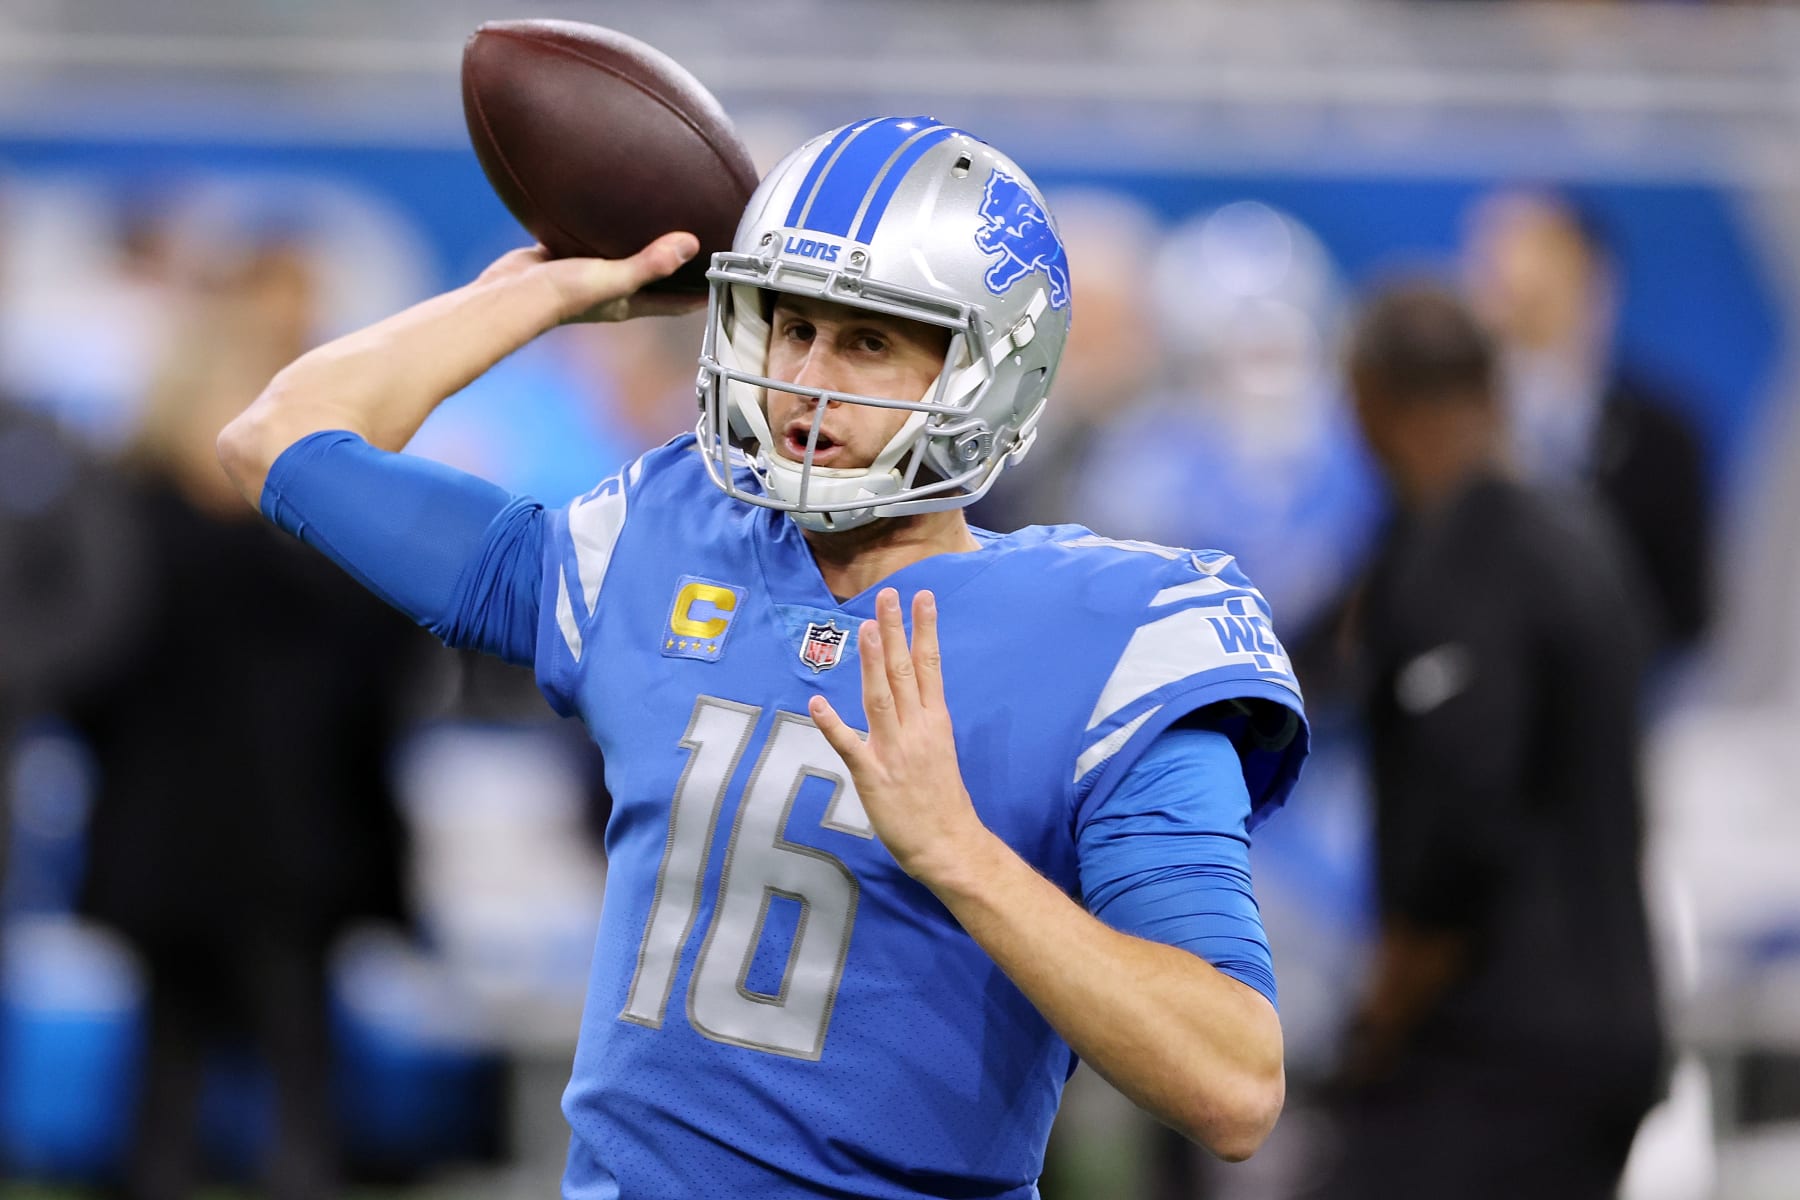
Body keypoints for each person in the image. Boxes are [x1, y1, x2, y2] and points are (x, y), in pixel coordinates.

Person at [217, 116, 1309, 1198]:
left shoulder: (1113, 633)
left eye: (869, 341)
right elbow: (279, 436)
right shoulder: (665, 534)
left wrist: (961, 854)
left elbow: (1233, 1084)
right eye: (791, 328)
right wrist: (541, 298)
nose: (808, 383)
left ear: (988, 370)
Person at [68, 246, 425, 1200]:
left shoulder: (300, 528)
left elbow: (381, 660)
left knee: (291, 1053)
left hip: (286, 832)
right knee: (181, 1056)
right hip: (190, 825)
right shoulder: (135, 519)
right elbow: (87, 665)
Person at [1321, 281, 1666, 1200]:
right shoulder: (1578, 533)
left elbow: (1465, 813)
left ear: (1370, 399)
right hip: (1606, 1014)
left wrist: (1387, 1006)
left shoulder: (1468, 556)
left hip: (1496, 1044)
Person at [1462, 187, 1712, 656]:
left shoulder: (1662, 439)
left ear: (1596, 282)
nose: (1516, 292)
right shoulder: (1444, 434)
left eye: (1544, 280)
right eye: (1493, 271)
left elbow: (1687, 613)